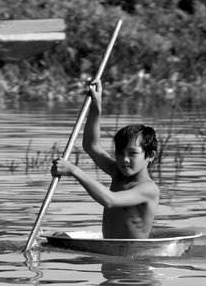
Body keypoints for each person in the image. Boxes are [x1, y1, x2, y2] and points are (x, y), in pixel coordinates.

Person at [51, 80, 159, 239]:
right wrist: (96, 107)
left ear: (150, 156)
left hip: (134, 261)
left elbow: (110, 200)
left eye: (133, 153)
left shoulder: (148, 189)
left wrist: (74, 170)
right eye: (120, 153)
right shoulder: (118, 172)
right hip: (109, 248)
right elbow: (91, 145)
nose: (124, 160)